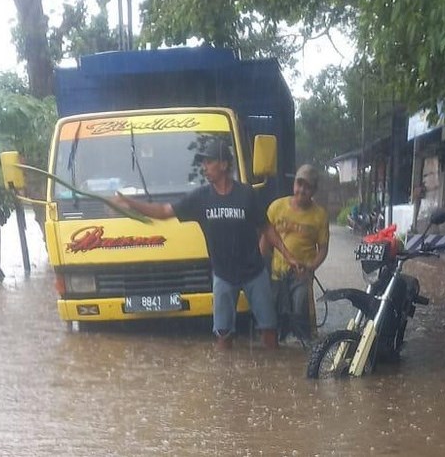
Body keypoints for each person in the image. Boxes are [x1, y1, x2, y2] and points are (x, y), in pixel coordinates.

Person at [113, 138, 300, 350]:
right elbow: (164, 212)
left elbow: (267, 228)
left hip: (254, 273)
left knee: (269, 331)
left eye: (209, 162)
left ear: (224, 164)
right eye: (204, 163)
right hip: (222, 275)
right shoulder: (200, 198)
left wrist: (288, 255)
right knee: (222, 335)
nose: (204, 167)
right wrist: (130, 202)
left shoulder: (247, 194)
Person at [264, 164, 329, 345]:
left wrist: (311, 267)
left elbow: (323, 249)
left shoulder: (320, 215)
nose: (302, 190)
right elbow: (265, 238)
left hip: (302, 274)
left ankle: (301, 355)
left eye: (307, 186)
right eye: (299, 184)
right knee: (273, 320)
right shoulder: (276, 207)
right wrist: (261, 267)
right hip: (277, 273)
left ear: (314, 190)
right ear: (293, 184)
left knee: (300, 313)